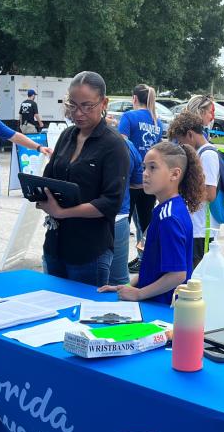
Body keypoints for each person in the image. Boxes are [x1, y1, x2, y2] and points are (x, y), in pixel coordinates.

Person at [36, 71, 129, 286]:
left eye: (87, 106)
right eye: (73, 105)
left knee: (84, 315)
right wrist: (39, 192)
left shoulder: (113, 144)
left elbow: (111, 202)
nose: (78, 113)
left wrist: (63, 212)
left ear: (103, 103)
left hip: (89, 251)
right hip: (55, 244)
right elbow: (50, 176)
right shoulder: (67, 136)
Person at [99, 141, 204, 303]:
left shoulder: (169, 218)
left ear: (175, 174)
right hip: (153, 303)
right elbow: (152, 266)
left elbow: (177, 274)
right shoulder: (165, 209)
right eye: (144, 168)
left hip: (162, 309)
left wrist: (139, 294)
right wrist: (128, 286)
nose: (145, 174)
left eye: (153, 168)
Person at [167, 110, 220, 267]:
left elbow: (210, 194)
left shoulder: (207, 155)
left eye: (180, 141)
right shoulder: (197, 153)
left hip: (202, 230)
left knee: (195, 281)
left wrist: (179, 190)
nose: (180, 146)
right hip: (194, 226)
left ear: (190, 134)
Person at [119, 84, 162, 271]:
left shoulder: (128, 117)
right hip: (149, 179)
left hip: (129, 179)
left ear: (134, 98)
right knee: (145, 224)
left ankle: (117, 262)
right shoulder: (157, 122)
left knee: (122, 222)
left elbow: (121, 145)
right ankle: (145, 259)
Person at [108, 114, 141, 287]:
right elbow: (138, 181)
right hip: (119, 216)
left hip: (84, 218)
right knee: (118, 281)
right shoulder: (128, 145)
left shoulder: (74, 139)